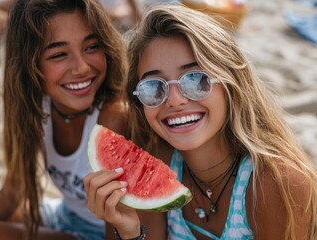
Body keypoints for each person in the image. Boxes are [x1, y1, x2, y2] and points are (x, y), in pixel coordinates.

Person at [84, 4, 317, 240]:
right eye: (153, 86)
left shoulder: (276, 183)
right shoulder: (158, 161)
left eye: (196, 80)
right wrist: (129, 232)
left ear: (230, 84)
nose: (174, 101)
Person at [0, 0, 128, 239]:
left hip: (102, 234)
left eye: (92, 46)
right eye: (59, 54)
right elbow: (14, 190)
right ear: (29, 63)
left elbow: (121, 230)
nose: (82, 67)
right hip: (61, 216)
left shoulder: (115, 118)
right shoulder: (40, 103)